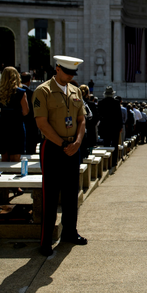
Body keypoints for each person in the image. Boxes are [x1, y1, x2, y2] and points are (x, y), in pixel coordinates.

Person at [33, 55, 89, 256]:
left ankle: (70, 232)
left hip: (73, 146)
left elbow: (82, 120)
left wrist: (77, 143)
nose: (70, 76)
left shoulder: (75, 91)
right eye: (67, 72)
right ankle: (46, 240)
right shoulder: (43, 91)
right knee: (50, 194)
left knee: (70, 193)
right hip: (53, 147)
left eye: (73, 73)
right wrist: (64, 144)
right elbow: (42, 123)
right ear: (57, 69)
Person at [0, 67, 29, 161]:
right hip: (16, 124)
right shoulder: (20, 92)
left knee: (4, 156)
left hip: (3, 124)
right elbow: (25, 111)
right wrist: (15, 111)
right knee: (15, 156)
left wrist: (4, 111)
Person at [98, 86, 123, 169]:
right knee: (115, 144)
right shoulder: (116, 103)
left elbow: (99, 115)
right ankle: (114, 162)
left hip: (105, 126)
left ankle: (106, 162)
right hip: (115, 126)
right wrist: (120, 126)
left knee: (106, 143)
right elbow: (119, 116)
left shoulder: (101, 102)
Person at [21, 72, 40, 155]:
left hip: (18, 123)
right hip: (31, 124)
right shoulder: (32, 94)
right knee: (30, 150)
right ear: (29, 81)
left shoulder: (13, 93)